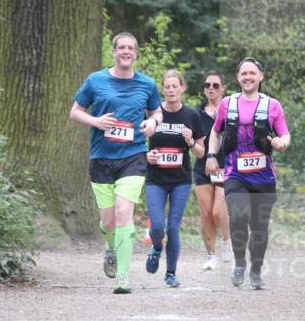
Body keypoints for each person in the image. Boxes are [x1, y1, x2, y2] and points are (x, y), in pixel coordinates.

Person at [70, 32, 162, 294]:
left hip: (133, 156)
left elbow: (157, 111)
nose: (126, 51)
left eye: (130, 48)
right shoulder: (95, 80)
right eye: (121, 47)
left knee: (124, 213)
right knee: (108, 222)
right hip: (101, 158)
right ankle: (110, 248)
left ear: (135, 53)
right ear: (113, 52)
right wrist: (96, 122)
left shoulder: (147, 84)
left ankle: (123, 277)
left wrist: (153, 123)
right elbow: (75, 112)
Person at [205, 58, 290, 290]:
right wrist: (212, 155)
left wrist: (282, 142)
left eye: (252, 73)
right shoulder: (227, 103)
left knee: (260, 227)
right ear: (238, 77)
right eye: (244, 73)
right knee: (239, 215)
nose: (248, 77)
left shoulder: (272, 105)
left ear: (261, 76)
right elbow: (216, 132)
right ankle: (240, 263)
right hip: (235, 173)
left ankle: (256, 270)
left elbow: (285, 134)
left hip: (264, 177)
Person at [144, 70, 206, 288]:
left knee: (173, 227)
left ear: (182, 88)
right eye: (167, 86)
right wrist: (146, 155)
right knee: (158, 226)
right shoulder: (153, 113)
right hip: (155, 179)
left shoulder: (191, 116)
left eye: (174, 86)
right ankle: (156, 248)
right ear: (163, 89)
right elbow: (137, 141)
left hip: (180, 180)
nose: (171, 90)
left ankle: (170, 273)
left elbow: (200, 152)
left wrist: (190, 143)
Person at [193, 70, 234, 271]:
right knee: (206, 213)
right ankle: (210, 255)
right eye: (207, 85)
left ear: (223, 88)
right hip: (203, 168)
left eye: (215, 85)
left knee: (219, 211)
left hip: (227, 166)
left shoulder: (232, 110)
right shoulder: (196, 114)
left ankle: (227, 241)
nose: (210, 88)